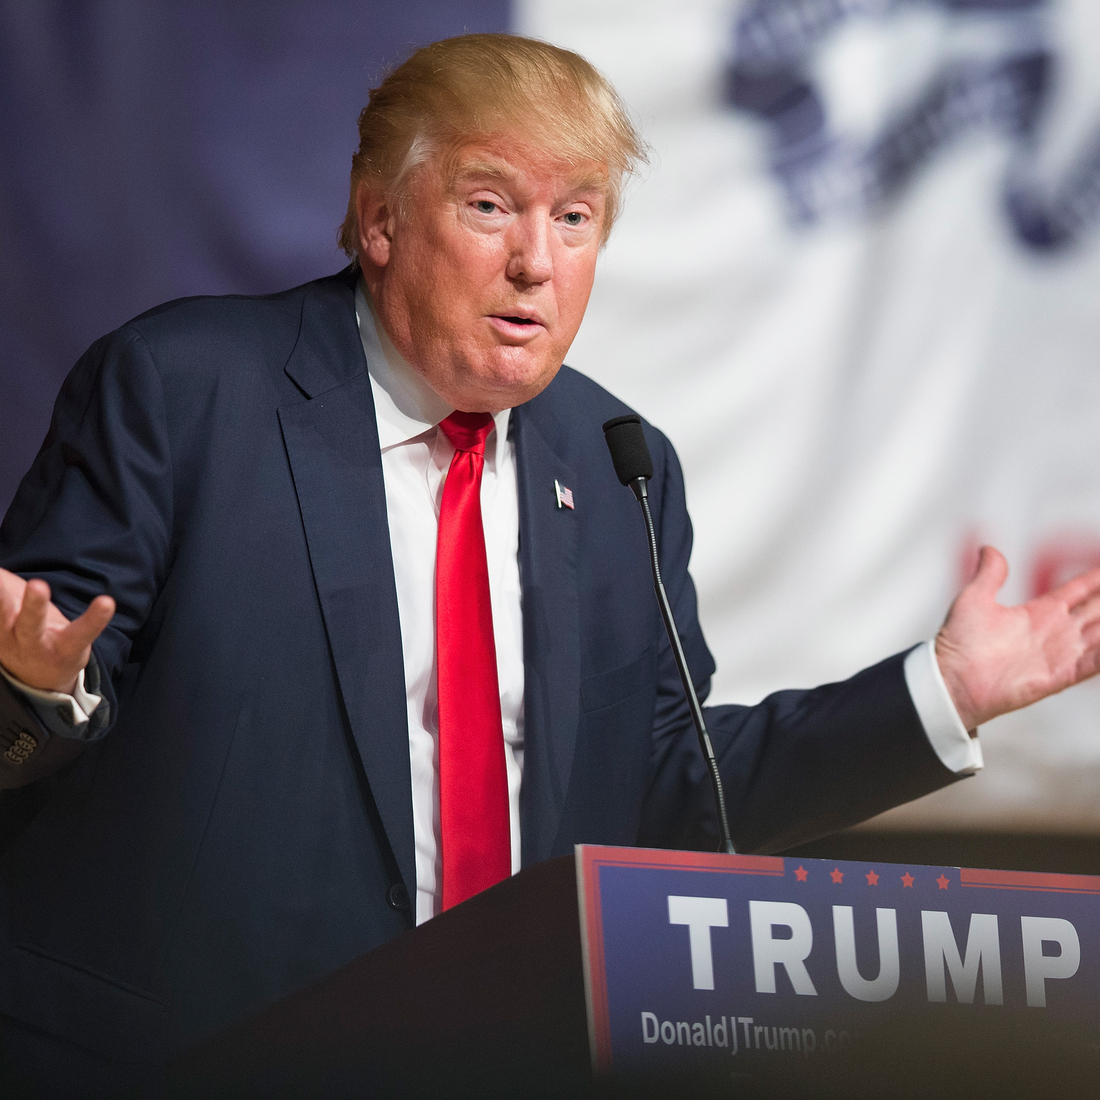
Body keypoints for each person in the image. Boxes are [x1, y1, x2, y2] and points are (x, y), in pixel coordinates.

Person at [1, 32, 1099, 1096]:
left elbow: (673, 791)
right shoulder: (182, 389)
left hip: (501, 1056)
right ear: (379, 217)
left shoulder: (619, 463)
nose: (536, 259)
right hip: (195, 1058)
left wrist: (939, 691)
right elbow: (35, 700)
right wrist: (34, 684)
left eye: (574, 218)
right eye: (490, 206)